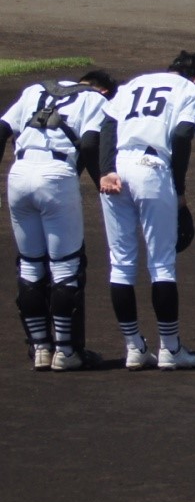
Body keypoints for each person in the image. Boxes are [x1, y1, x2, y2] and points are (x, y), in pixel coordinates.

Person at [98, 50, 195, 371]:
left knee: (120, 264)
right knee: (161, 264)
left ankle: (134, 348)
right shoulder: (190, 90)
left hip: (117, 166)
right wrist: (178, 190)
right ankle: (170, 349)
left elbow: (108, 125)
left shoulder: (135, 83)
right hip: (152, 168)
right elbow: (181, 135)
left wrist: (105, 169)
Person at [2, 68, 115, 371]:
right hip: (56, 176)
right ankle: (66, 352)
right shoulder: (97, 100)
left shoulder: (34, 89)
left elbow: (2, 130)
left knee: (30, 264)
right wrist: (100, 182)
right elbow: (91, 144)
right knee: (66, 267)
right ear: (103, 90)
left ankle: (40, 348)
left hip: (19, 175)